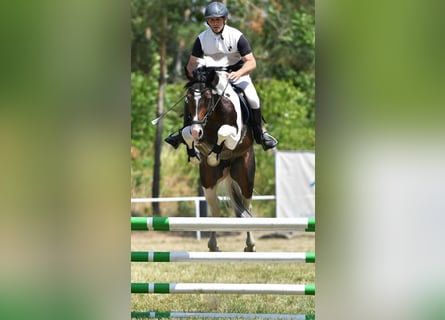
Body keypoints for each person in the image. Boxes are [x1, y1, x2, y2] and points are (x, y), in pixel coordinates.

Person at [165, 1, 278, 153]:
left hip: (237, 74)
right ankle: (183, 131)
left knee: (253, 98)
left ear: (225, 19)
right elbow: (192, 64)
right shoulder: (202, 38)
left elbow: (251, 62)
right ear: (207, 21)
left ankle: (260, 134)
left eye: (218, 19)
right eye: (212, 20)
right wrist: (196, 77)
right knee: (194, 96)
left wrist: (238, 73)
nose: (215, 23)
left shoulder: (237, 36)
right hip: (212, 76)